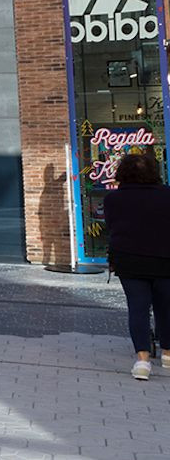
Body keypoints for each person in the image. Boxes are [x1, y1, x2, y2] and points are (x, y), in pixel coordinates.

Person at [103, 152, 170, 380]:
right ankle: (168, 355)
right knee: (166, 307)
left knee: (138, 309)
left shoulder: (112, 199)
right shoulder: (167, 195)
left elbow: (111, 227)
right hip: (165, 260)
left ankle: (142, 361)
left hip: (129, 260)